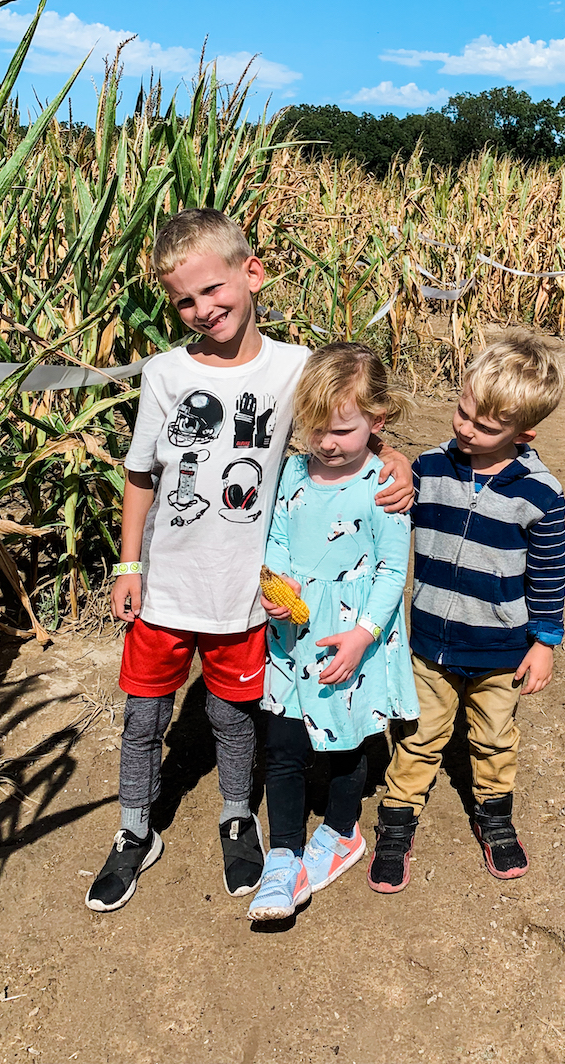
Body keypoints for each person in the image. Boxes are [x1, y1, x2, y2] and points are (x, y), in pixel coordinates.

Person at [85, 210, 411, 913]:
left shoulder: (294, 367)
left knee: (234, 715)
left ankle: (238, 816)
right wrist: (127, 565)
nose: (202, 309)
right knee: (144, 715)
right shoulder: (165, 373)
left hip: (245, 592)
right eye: (184, 300)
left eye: (212, 289)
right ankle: (136, 828)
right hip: (167, 584)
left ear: (252, 273)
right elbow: (140, 474)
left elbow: (348, 414)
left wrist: (394, 456)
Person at [368, 331, 565, 894]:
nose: (465, 428)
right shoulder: (430, 468)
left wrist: (544, 642)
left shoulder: (540, 494)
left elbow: (549, 575)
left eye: (484, 426)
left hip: (501, 648)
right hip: (430, 638)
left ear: (523, 434)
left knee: (495, 736)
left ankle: (495, 815)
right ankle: (397, 818)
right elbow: (386, 494)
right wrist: (390, 456)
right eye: (462, 411)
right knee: (419, 734)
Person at [247, 342, 419, 920]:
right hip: (292, 637)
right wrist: (278, 587)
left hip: (352, 638)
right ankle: (284, 854)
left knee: (348, 744)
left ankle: (343, 830)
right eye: (316, 427)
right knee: (283, 745)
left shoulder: (383, 486)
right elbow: (276, 539)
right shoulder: (293, 473)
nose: (326, 442)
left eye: (342, 430)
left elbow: (392, 570)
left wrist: (363, 635)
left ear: (378, 421)